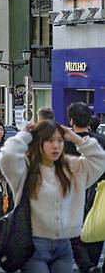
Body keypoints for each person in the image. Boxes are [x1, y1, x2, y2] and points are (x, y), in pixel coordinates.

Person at [0, 120, 105, 273]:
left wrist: (75, 137)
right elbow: (7, 155)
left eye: (60, 141)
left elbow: (99, 160)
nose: (56, 145)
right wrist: (23, 135)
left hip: (63, 246)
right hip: (33, 244)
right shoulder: (24, 169)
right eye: (50, 140)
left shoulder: (70, 168)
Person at [67, 102, 105, 273]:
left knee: (76, 236)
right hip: (99, 193)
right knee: (96, 229)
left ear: (72, 120)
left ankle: (87, 266)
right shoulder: (101, 141)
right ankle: (92, 265)